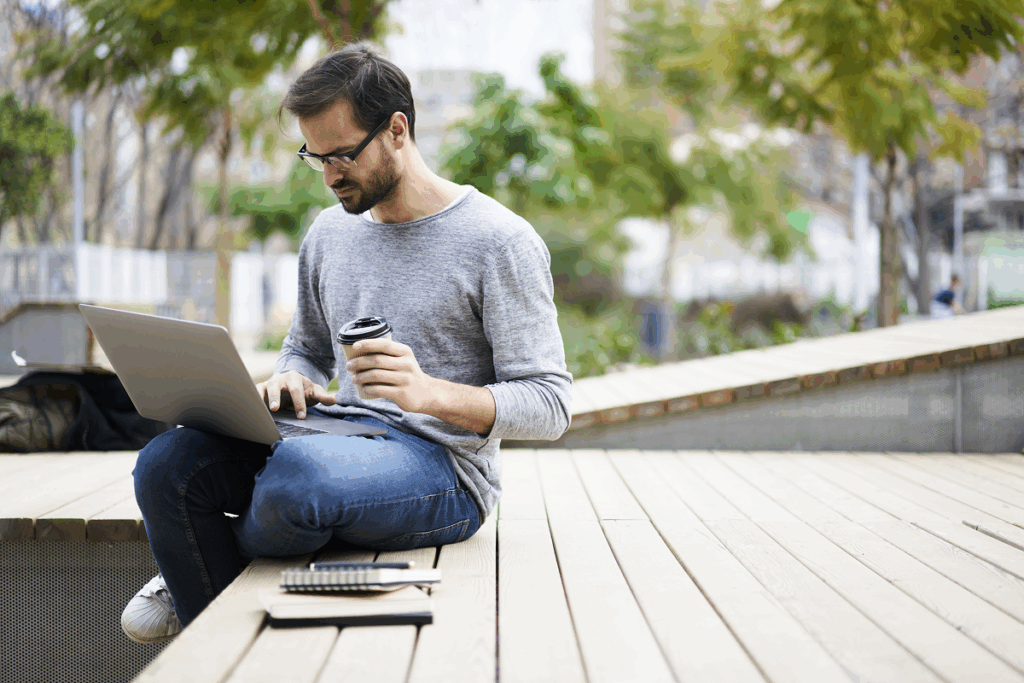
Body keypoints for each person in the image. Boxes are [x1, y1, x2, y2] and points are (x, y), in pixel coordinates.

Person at [119, 43, 573, 643]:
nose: (331, 175)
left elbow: (550, 403)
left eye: (342, 155)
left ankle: (199, 567)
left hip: (444, 470)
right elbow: (305, 348)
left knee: (296, 481)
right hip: (334, 437)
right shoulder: (330, 233)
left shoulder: (499, 241)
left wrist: (428, 394)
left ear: (396, 130)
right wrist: (293, 376)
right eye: (316, 158)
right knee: (165, 464)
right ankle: (218, 645)